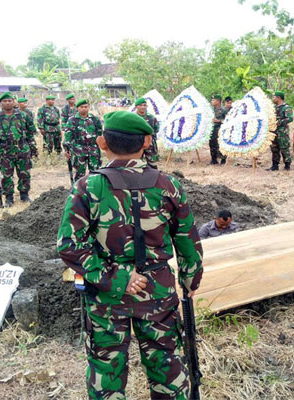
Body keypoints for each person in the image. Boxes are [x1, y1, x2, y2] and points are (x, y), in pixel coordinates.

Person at [57, 110, 204, 399]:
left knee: (106, 373)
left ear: (101, 142)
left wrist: (115, 278)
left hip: (105, 296)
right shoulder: (169, 185)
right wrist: (190, 281)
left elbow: (69, 245)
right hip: (158, 293)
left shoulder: (88, 187)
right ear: (147, 141)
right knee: (168, 369)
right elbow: (188, 243)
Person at [0, 92, 38, 206]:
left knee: (24, 173)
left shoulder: (23, 115)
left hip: (22, 149)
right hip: (5, 150)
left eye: (10, 100)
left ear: (14, 102)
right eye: (5, 101)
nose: (8, 103)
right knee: (6, 175)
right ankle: (9, 198)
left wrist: (33, 147)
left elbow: (31, 132)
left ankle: (24, 195)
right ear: (1, 103)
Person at [64, 99, 101, 182]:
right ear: (77, 108)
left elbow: (99, 132)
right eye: (82, 107)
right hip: (79, 149)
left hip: (93, 149)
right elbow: (68, 136)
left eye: (86, 107)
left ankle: (93, 190)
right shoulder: (72, 120)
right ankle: (78, 191)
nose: (84, 108)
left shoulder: (94, 119)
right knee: (80, 173)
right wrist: (67, 149)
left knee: (95, 172)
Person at [268, 91, 293, 171]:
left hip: (282, 132)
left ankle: (287, 165)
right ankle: (275, 165)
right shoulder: (273, 108)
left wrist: (278, 122)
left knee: (284, 148)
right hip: (273, 131)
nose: (273, 99)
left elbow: (290, 118)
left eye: (274, 97)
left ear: (278, 98)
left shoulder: (286, 107)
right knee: (274, 148)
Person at [133, 97, 160, 163]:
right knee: (136, 163)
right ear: (136, 107)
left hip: (150, 144)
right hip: (137, 143)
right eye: (140, 105)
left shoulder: (152, 118)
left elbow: (156, 129)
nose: (143, 107)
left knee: (152, 164)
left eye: (144, 105)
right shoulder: (132, 117)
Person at [209, 94, 228, 165]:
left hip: (220, 129)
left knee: (220, 144)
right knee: (212, 144)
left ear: (218, 101)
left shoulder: (224, 110)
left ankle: (223, 160)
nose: (212, 101)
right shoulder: (210, 110)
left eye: (213, 100)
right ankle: (213, 160)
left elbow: (228, 120)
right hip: (212, 129)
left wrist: (219, 121)